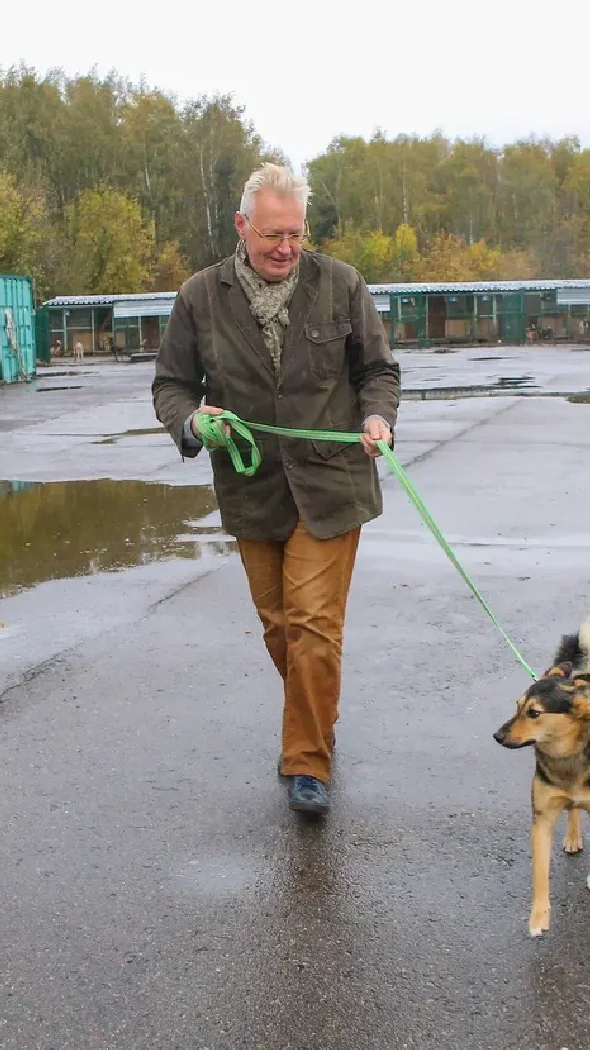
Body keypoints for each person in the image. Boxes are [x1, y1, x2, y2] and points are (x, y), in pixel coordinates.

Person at [152, 162, 401, 817]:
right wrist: (191, 420)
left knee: (315, 629)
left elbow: (377, 369)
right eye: (271, 235)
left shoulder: (341, 284)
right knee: (281, 629)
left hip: (331, 486)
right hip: (252, 487)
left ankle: (306, 761)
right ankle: (316, 720)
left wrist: (377, 416)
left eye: (294, 233)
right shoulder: (200, 296)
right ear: (242, 226)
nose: (285, 247)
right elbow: (171, 384)